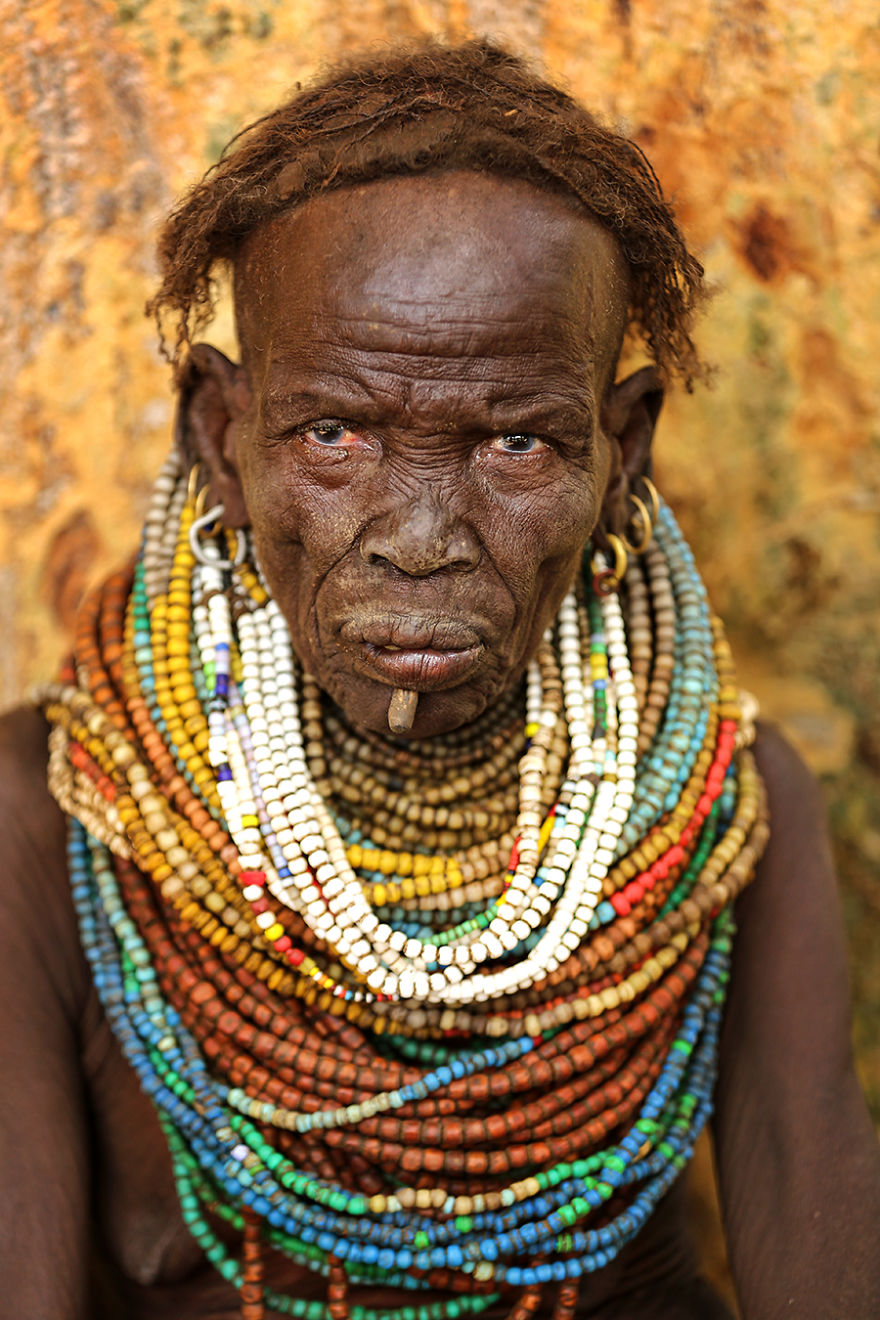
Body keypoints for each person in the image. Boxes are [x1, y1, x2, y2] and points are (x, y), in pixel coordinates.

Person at [1, 39, 878, 1320]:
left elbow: (811, 1198)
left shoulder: (718, 811)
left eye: (515, 442)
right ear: (222, 442)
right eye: (335, 434)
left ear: (621, 455)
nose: (420, 540)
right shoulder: (50, 814)